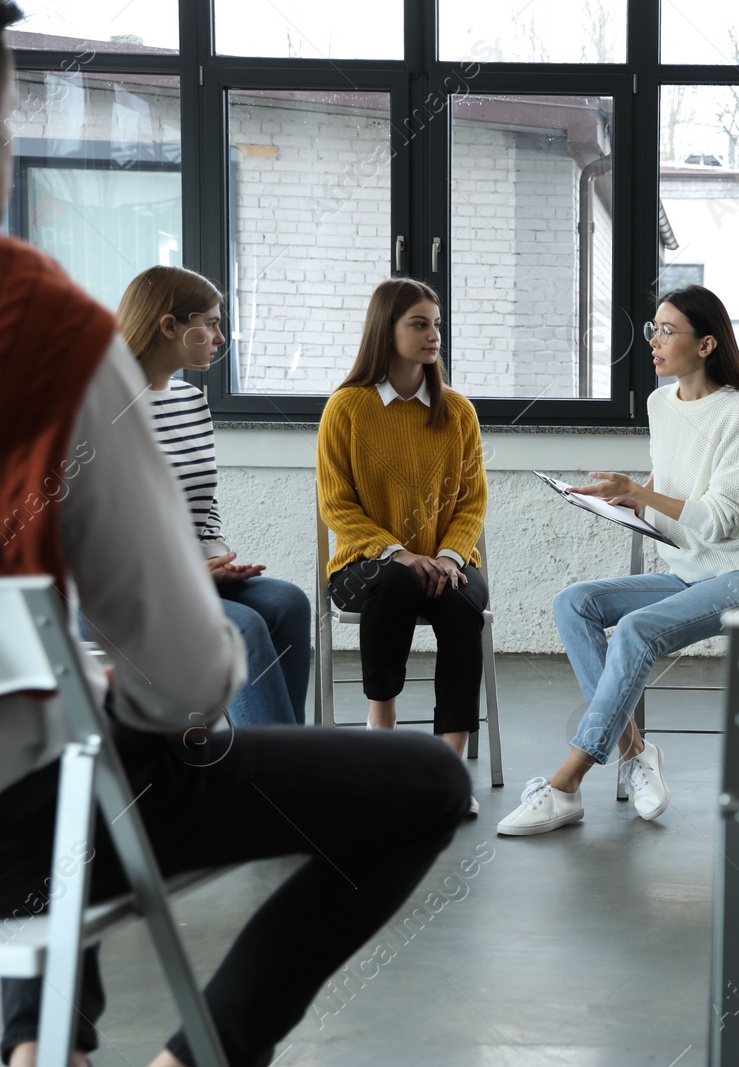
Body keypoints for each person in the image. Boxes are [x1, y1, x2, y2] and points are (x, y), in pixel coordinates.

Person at [0, 10, 471, 1067]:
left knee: (250, 631)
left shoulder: (451, 412)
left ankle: (39, 1039)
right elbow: (177, 671)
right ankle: (198, 1050)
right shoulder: (51, 337)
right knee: (421, 789)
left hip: (48, 766)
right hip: (30, 803)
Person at [497, 284, 739, 836]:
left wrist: (644, 495)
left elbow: (725, 521)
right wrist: (624, 498)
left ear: (706, 344)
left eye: (668, 330)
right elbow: (676, 490)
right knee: (573, 603)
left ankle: (565, 784)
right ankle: (636, 753)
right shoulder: (658, 405)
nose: (654, 339)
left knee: (636, 631)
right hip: (691, 570)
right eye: (653, 328)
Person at [316, 277, 490, 811]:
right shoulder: (346, 409)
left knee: (463, 603)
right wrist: (399, 552)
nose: (433, 334)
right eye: (419, 323)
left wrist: (446, 557)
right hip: (365, 568)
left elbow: (471, 502)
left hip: (445, 565)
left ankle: (448, 767)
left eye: (436, 324)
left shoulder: (456, 411)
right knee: (393, 580)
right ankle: (383, 736)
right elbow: (338, 506)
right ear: (384, 330)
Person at [116, 264, 312, 726]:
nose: (221, 338)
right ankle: (278, 785)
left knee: (289, 603)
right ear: (169, 327)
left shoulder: (190, 401)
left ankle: (290, 760)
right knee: (240, 628)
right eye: (211, 324)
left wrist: (216, 561)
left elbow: (202, 505)